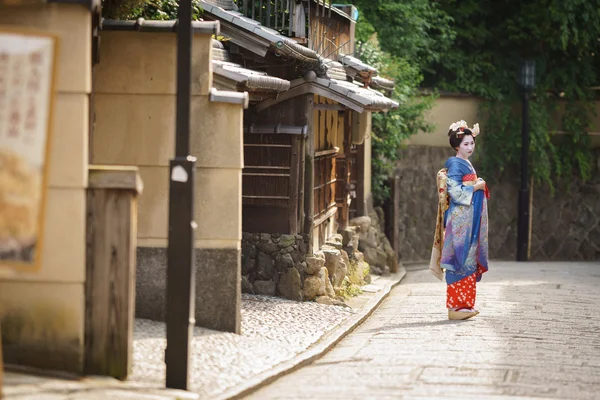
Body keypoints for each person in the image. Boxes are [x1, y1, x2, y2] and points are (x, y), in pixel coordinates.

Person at [429, 120, 490, 320]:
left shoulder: (464, 163)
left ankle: (465, 305)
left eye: (472, 143)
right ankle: (455, 307)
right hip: (459, 219)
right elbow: (455, 191)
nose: (470, 147)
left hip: (467, 217)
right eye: (465, 144)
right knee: (459, 259)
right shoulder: (455, 164)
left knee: (469, 260)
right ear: (457, 146)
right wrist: (476, 187)